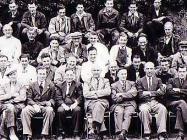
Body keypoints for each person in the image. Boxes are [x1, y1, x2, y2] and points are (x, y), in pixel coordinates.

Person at [21, 66, 55, 140]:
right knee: (25, 111)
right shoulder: (32, 85)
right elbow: (29, 98)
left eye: (44, 74)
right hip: (34, 105)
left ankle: (44, 134)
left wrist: (50, 102)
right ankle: (28, 134)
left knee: (50, 110)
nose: (42, 76)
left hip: (45, 106)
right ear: (37, 74)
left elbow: (53, 98)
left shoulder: (51, 85)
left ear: (46, 74)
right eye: (40, 74)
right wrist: (34, 105)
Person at [136, 62, 167, 140]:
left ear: (154, 69)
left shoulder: (158, 80)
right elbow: (140, 95)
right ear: (144, 70)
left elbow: (162, 92)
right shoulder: (140, 80)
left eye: (151, 68)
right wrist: (156, 92)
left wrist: (148, 93)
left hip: (155, 102)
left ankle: (161, 132)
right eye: (147, 68)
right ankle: (147, 132)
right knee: (144, 110)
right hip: (144, 103)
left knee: (163, 109)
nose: (149, 71)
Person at [83, 64, 111, 140]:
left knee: (98, 104)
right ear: (91, 71)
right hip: (90, 103)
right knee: (97, 106)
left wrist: (95, 93)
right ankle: (101, 131)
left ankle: (93, 128)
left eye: (98, 70)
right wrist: (100, 94)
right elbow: (85, 93)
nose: (96, 72)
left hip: (103, 102)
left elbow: (108, 91)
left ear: (101, 71)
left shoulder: (106, 80)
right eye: (94, 70)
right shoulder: (87, 81)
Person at [55, 69, 83, 140]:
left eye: (71, 75)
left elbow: (80, 96)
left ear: (74, 76)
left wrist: (75, 103)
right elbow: (58, 98)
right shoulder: (60, 85)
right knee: (60, 110)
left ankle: (76, 132)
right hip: (63, 104)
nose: (69, 77)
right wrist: (63, 105)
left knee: (77, 110)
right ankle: (61, 132)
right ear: (65, 76)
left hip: (74, 104)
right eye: (67, 75)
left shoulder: (78, 84)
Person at [0, 67, 26, 140]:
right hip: (6, 105)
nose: (13, 76)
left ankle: (4, 136)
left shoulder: (21, 85)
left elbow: (23, 97)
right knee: (8, 109)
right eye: (11, 75)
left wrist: (10, 100)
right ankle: (11, 134)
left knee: (6, 112)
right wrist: (11, 94)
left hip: (18, 105)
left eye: (14, 74)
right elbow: (0, 97)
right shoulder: (4, 85)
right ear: (8, 77)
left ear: (16, 75)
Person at [111, 68, 137, 140]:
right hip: (118, 104)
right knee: (119, 112)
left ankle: (122, 133)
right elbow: (114, 98)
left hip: (130, 104)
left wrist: (121, 94)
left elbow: (134, 94)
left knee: (128, 113)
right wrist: (127, 95)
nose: (124, 76)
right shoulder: (114, 85)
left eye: (125, 74)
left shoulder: (132, 83)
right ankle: (119, 133)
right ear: (118, 75)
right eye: (122, 74)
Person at [166, 65, 187, 140]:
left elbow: (174, 91)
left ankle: (180, 133)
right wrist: (183, 93)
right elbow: (169, 91)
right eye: (180, 72)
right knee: (181, 102)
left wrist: (179, 90)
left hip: (182, 107)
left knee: (180, 108)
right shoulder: (171, 80)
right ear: (177, 72)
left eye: (183, 72)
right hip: (172, 103)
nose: (182, 73)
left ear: (186, 72)